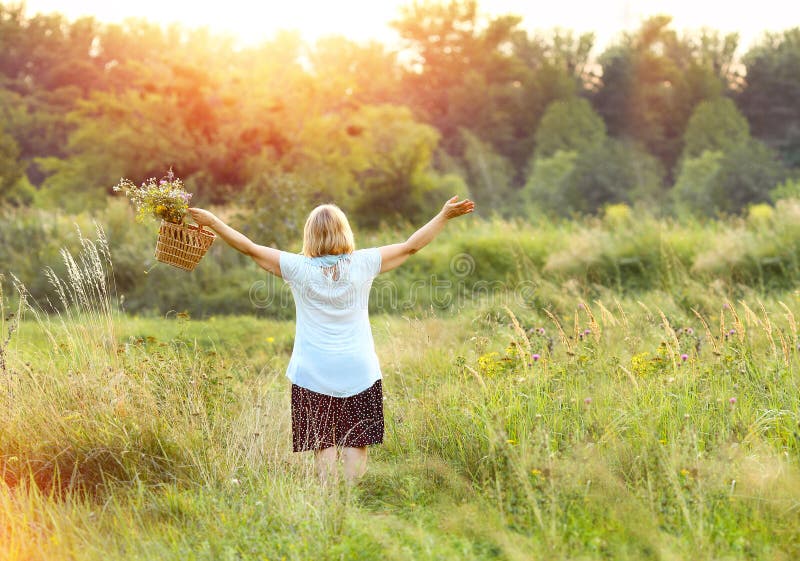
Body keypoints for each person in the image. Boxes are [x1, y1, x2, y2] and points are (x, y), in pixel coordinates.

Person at [188, 196, 474, 484]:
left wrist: (214, 222)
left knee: (322, 444)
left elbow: (249, 248)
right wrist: (443, 216)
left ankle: (328, 501)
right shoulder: (364, 263)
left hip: (312, 371)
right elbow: (410, 246)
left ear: (309, 235)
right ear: (344, 232)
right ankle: (349, 505)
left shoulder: (296, 267)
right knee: (356, 443)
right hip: (359, 369)